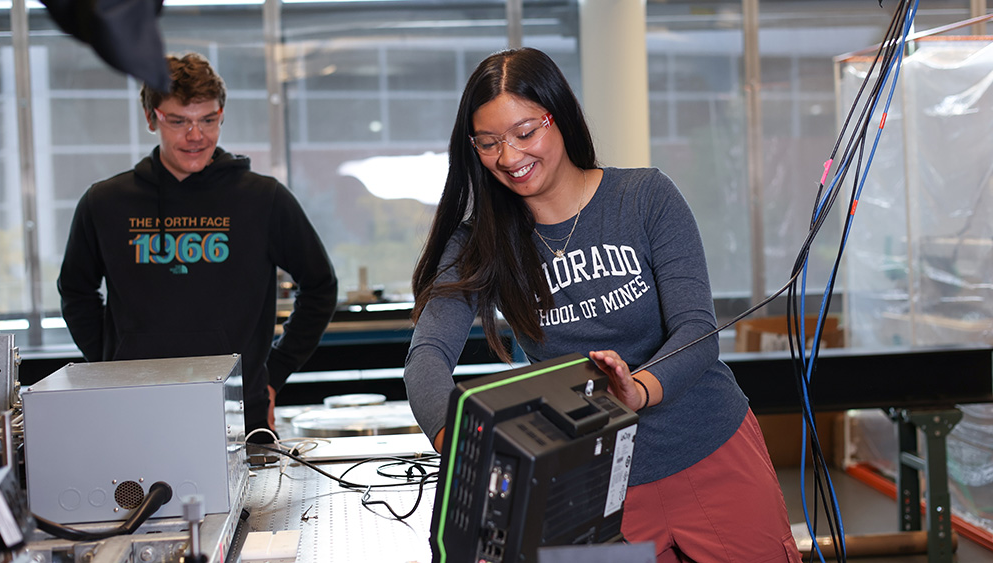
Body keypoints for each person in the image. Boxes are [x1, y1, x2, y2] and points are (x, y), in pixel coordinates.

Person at [403, 47, 801, 562]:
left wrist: (636, 389)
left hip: (708, 449)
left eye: (525, 132)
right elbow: (426, 358)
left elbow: (697, 330)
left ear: (560, 115)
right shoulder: (479, 243)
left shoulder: (645, 197)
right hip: (586, 486)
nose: (509, 156)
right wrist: (458, 443)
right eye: (488, 142)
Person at [57, 52, 338, 438]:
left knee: (247, 502)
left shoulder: (263, 199)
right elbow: (76, 291)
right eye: (179, 121)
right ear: (151, 117)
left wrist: (274, 371)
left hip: (238, 411)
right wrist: (112, 366)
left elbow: (320, 286)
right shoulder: (105, 202)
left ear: (221, 115)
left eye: (208, 120)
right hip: (132, 407)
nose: (196, 136)